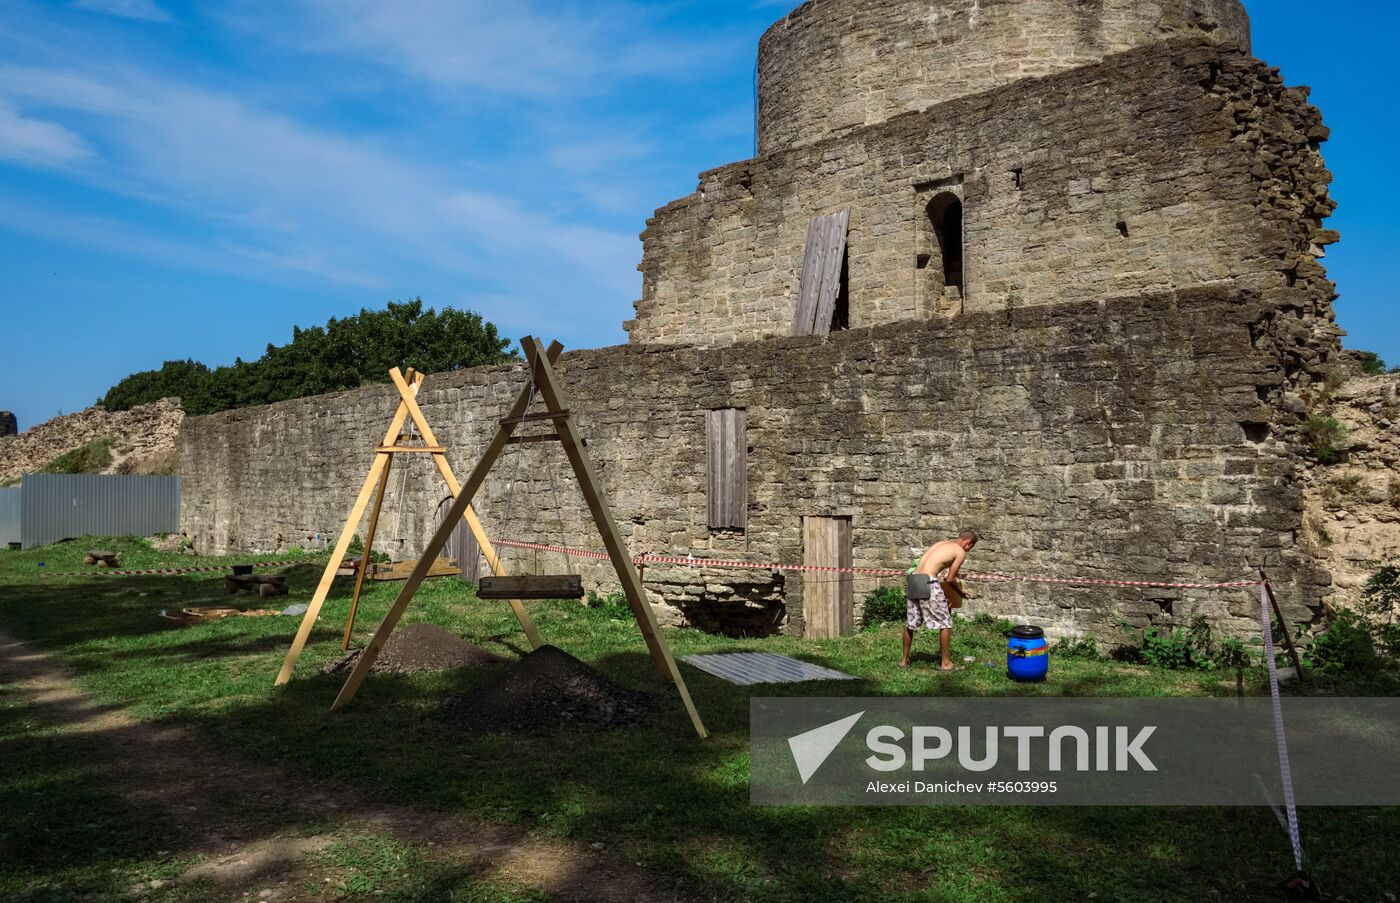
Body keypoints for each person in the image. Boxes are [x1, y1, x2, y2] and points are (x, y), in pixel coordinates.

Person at [900, 529, 979, 671]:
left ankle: (904, 661)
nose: (969, 550)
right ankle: (946, 663)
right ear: (968, 543)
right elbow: (950, 579)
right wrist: (960, 593)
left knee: (911, 623)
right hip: (929, 582)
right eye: (970, 547)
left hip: (914, 579)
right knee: (945, 622)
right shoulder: (960, 552)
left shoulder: (941, 543)